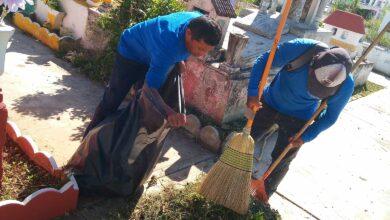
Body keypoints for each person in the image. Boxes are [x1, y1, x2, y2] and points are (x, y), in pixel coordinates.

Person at [247, 38, 354, 201]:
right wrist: (253, 92)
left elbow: (331, 117)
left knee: (280, 161)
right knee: (247, 146)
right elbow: (263, 62)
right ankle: (231, 181)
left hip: (299, 119)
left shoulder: (345, 85)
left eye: (320, 90)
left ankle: (262, 198)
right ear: (313, 63)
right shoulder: (301, 50)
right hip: (269, 104)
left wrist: (305, 137)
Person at [84, 11, 222, 137]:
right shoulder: (168, 47)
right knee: (113, 98)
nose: (201, 55)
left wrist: (180, 60)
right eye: (200, 48)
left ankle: (120, 148)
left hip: (152, 53)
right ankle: (86, 145)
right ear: (189, 34)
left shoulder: (198, 20)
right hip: (130, 51)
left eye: (207, 51)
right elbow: (149, 88)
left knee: (142, 107)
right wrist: (169, 113)